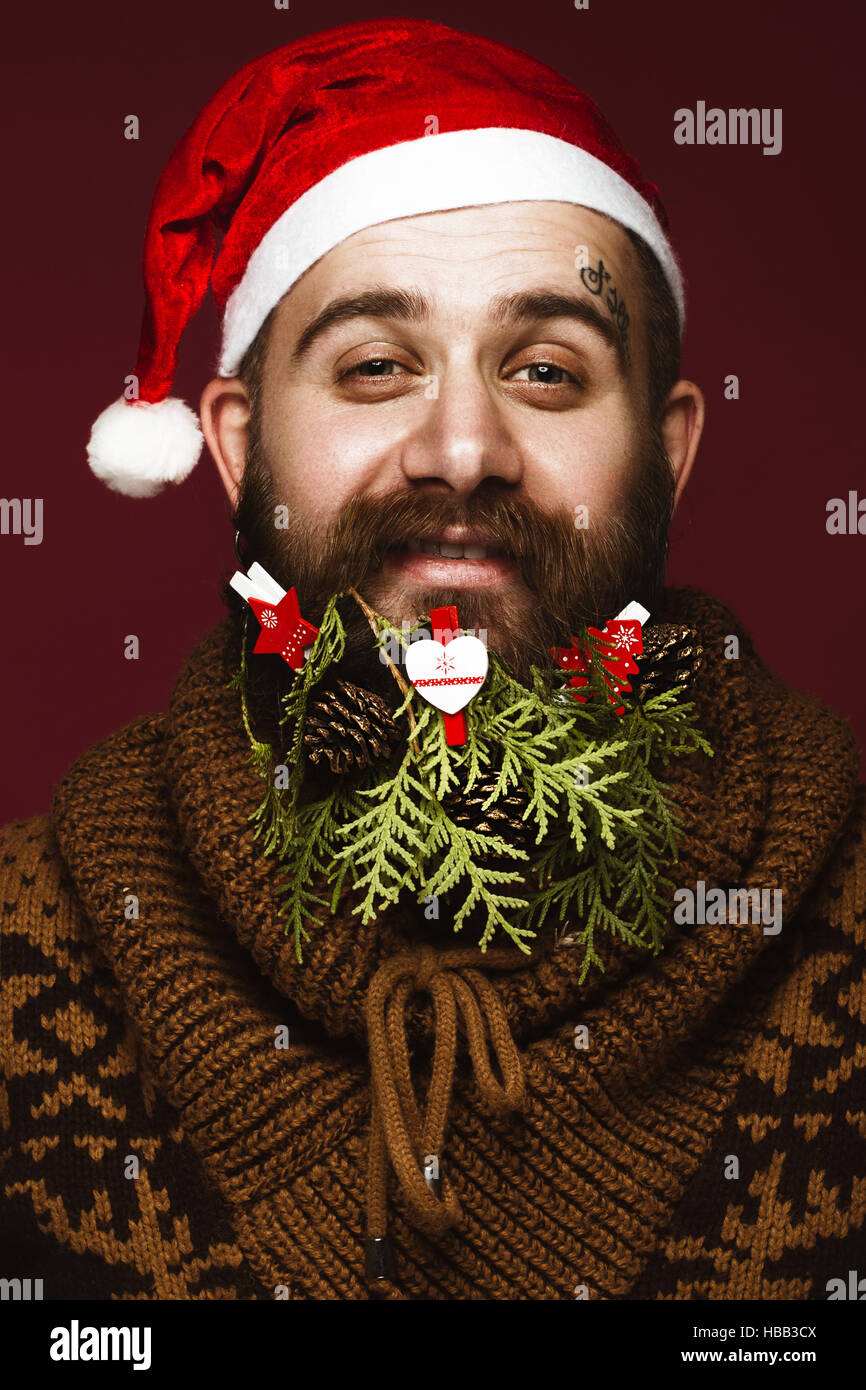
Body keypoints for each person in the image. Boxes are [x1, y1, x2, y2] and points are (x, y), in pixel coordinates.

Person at [1, 17, 863, 1302]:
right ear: (236, 449)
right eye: (375, 365)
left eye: (545, 369)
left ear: (667, 455)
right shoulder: (28, 946)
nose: (461, 447)